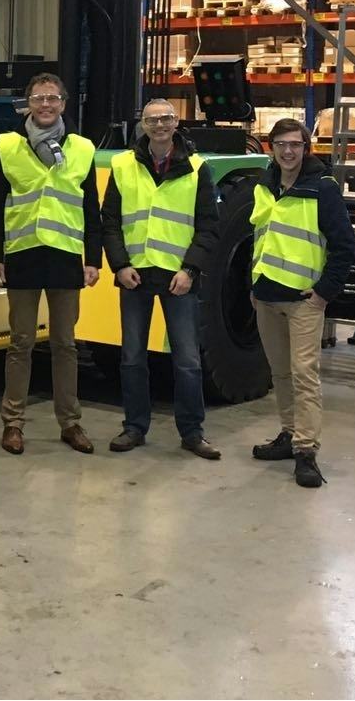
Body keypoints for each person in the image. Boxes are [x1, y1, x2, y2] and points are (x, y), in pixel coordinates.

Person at [0, 73, 100, 455]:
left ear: (64, 103)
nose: (46, 105)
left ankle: (70, 423)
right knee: (20, 342)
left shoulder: (83, 148)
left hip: (66, 257)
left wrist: (93, 260)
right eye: (38, 99)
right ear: (28, 104)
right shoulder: (9, 146)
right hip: (23, 255)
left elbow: (91, 209)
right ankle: (13, 424)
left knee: (65, 344)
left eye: (53, 98)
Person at [100, 98, 221, 459]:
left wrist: (190, 270)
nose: (160, 125)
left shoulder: (197, 169)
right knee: (132, 357)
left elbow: (208, 227)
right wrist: (119, 265)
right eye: (152, 120)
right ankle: (134, 427)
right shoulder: (123, 165)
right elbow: (110, 222)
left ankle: (192, 432)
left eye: (166, 119)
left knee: (187, 360)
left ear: (176, 122)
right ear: (143, 124)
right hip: (134, 275)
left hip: (177, 277)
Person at [248, 116, 355, 488]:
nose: (288, 151)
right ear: (271, 148)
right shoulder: (265, 185)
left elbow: (344, 246)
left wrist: (324, 292)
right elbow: (261, 238)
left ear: (305, 148)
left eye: (295, 144)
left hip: (303, 302)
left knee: (304, 376)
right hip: (266, 296)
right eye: (281, 145)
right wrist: (254, 282)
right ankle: (289, 433)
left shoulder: (322, 188)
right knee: (279, 373)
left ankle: (306, 451)